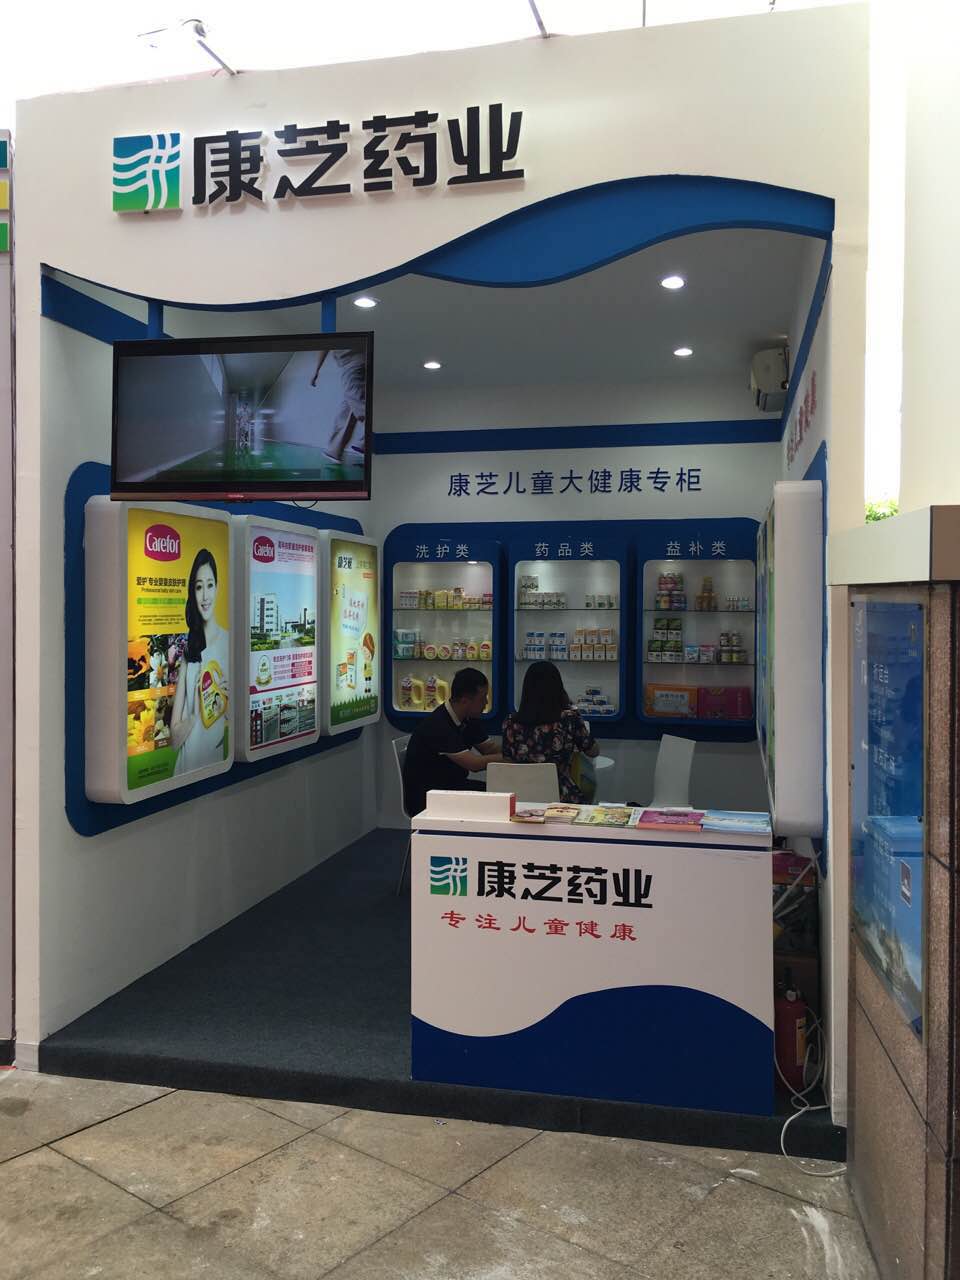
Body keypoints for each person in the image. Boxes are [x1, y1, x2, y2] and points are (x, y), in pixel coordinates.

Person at [402, 667, 502, 816]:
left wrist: (517, 749)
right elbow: (473, 764)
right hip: (428, 797)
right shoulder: (438, 725)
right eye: (483, 698)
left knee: (499, 792)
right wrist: (512, 757)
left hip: (451, 786)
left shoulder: (467, 719)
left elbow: (489, 748)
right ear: (465, 701)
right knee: (497, 800)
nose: (486, 702)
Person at [502, 661, 599, 803]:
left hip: (521, 796)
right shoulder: (569, 718)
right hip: (561, 796)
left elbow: (507, 761)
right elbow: (593, 751)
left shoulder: (511, 722)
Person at [171, 548, 230, 774]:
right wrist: (197, 708)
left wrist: (225, 703)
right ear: (192, 592)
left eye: (209, 585)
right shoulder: (190, 651)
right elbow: (174, 739)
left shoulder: (229, 643)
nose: (205, 596)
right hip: (184, 769)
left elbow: (237, 723)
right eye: (198, 587)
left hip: (214, 767)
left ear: (217, 587)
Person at [311, 347, 367, 464]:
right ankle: (335, 450)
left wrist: (316, 370)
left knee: (356, 400)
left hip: (352, 361)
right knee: (349, 406)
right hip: (360, 361)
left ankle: (371, 438)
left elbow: (325, 346)